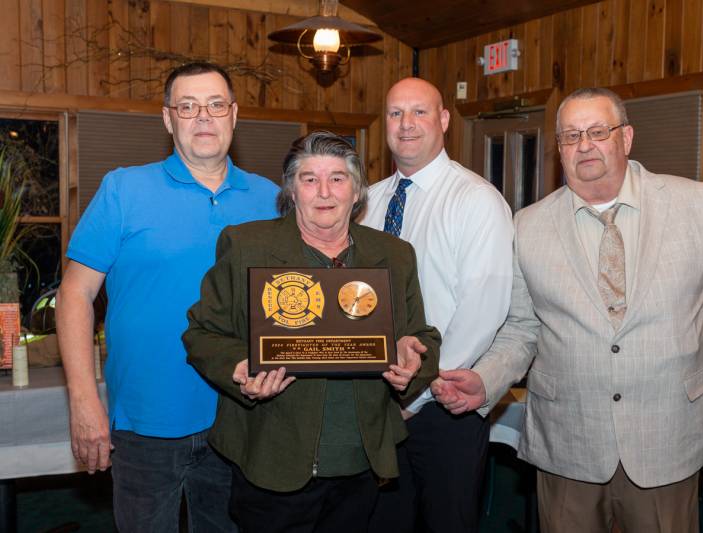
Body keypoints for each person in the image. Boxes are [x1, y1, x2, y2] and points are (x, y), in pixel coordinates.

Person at [432, 87, 703, 532]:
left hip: (664, 436)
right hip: (567, 439)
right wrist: (484, 379)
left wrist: (693, 369)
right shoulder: (528, 225)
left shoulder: (698, 205)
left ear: (626, 138)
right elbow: (521, 328)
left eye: (596, 132)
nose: (583, 145)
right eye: (570, 136)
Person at [57, 62, 280, 532]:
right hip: (145, 421)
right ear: (167, 119)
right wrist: (82, 399)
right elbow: (75, 294)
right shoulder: (123, 189)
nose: (204, 117)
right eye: (188, 106)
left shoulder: (271, 199)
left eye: (216, 105)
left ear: (234, 115)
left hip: (241, 417)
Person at [182, 131, 441, 533]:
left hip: (361, 463)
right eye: (309, 179)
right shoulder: (246, 245)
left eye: (338, 178)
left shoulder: (393, 254)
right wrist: (239, 370)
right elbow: (202, 333)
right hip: (272, 460)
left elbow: (421, 336)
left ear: (356, 191)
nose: (324, 192)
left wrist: (414, 358)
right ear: (291, 190)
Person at [360, 77, 513, 533]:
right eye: (395, 113)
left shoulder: (476, 201)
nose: (406, 124)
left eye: (419, 112)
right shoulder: (367, 201)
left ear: (444, 120)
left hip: (442, 406)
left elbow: (482, 313)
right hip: (376, 405)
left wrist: (416, 392)